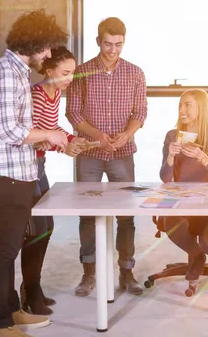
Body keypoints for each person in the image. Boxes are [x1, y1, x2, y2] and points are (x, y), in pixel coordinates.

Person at [0, 9, 68, 337]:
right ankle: (0, 325)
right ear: (32, 42)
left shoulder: (16, 73)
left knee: (11, 245)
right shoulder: (5, 74)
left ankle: (13, 311)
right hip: (7, 175)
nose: (47, 55)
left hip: (19, 172)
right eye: (45, 47)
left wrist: (53, 137)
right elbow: (10, 132)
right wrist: (49, 135)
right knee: (3, 250)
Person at [66, 17, 148, 297]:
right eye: (108, 44)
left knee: (126, 215)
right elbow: (73, 114)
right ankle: (89, 273)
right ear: (98, 41)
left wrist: (126, 134)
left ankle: (127, 272)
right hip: (90, 153)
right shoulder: (82, 72)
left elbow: (140, 112)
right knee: (88, 214)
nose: (113, 50)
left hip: (122, 154)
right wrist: (99, 137)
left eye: (119, 44)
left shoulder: (135, 73)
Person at [20, 46, 87, 315]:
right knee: (36, 231)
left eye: (73, 73)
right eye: (65, 72)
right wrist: (63, 146)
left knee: (46, 227)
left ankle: (32, 287)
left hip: (39, 165)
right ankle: (30, 291)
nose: (70, 78)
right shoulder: (36, 96)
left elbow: (53, 129)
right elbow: (35, 135)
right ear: (49, 71)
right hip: (26, 167)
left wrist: (71, 139)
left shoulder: (54, 94)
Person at [159, 89, 208, 285]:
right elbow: (165, 178)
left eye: (187, 105)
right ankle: (197, 255)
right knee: (171, 225)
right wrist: (170, 157)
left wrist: (203, 158)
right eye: (180, 105)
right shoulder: (173, 135)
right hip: (184, 200)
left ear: (201, 108)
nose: (182, 110)